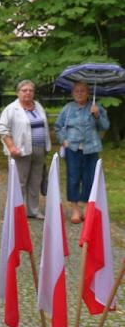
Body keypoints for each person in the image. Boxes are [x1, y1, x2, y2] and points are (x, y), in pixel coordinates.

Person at [54, 82, 109, 224]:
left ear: (88, 93)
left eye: (83, 91)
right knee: (73, 178)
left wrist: (97, 115)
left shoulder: (96, 107)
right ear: (73, 93)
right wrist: (63, 140)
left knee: (89, 178)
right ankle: (75, 209)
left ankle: (86, 207)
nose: (79, 93)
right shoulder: (68, 109)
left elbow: (105, 126)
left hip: (92, 149)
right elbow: (58, 127)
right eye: (77, 91)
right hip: (73, 148)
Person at [0, 79, 51, 219]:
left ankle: (33, 210)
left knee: (35, 181)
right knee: (19, 182)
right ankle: (16, 212)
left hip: (39, 149)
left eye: (30, 90)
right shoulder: (11, 109)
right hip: (20, 151)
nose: (28, 93)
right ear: (18, 92)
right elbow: (2, 128)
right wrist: (11, 147)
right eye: (24, 90)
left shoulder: (38, 106)